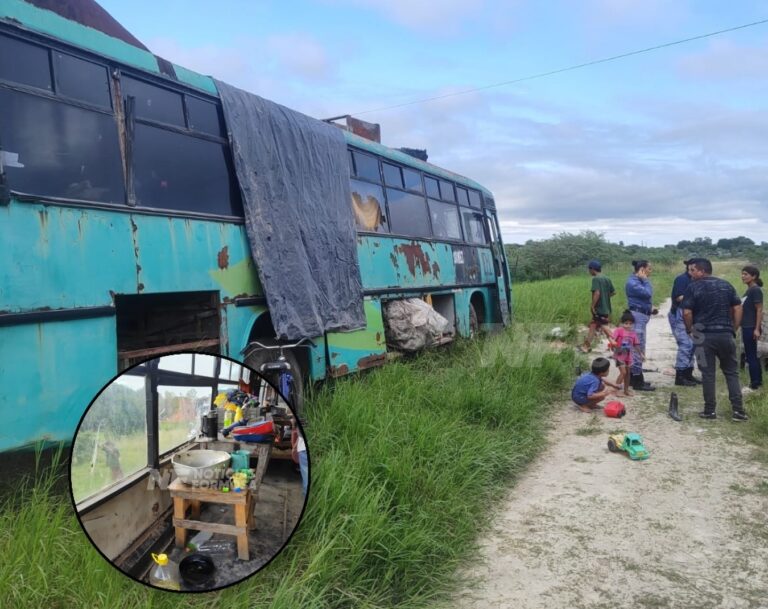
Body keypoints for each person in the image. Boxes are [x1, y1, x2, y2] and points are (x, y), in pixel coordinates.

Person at [681, 258, 748, 421]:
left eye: (693, 270)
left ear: (702, 271)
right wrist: (733, 328)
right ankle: (738, 411)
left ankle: (710, 411)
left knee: (707, 374)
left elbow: (687, 312)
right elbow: (738, 307)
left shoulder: (692, 287)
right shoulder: (726, 285)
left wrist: (690, 329)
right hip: (725, 334)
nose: (690, 273)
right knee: (731, 373)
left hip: (702, 337)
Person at [625, 260, 658, 391]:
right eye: (649, 269)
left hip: (641, 315)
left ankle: (634, 378)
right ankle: (637, 381)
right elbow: (648, 293)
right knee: (637, 347)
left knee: (638, 345)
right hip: (638, 316)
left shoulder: (637, 282)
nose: (651, 271)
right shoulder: (633, 283)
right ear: (642, 270)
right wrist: (645, 280)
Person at [668, 259, 699, 387]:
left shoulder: (696, 280)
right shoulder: (682, 279)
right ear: (689, 267)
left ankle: (688, 374)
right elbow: (679, 297)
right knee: (685, 345)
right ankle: (680, 376)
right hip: (679, 314)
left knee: (692, 345)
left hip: (691, 315)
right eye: (693, 267)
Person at [580, 260, 615, 353]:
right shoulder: (607, 278)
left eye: (589, 269)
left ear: (592, 269)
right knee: (593, 325)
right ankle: (586, 346)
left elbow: (597, 293)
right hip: (606, 308)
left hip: (599, 308)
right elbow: (613, 292)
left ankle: (617, 342)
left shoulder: (596, 279)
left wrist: (592, 305)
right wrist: (605, 297)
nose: (589, 271)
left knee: (604, 326)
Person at [740, 265, 763, 391]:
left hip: (751, 327)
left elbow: (759, 310)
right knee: (751, 354)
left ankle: (755, 383)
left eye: (746, 274)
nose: (743, 276)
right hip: (746, 326)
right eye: (742, 274)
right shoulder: (749, 290)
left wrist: (757, 328)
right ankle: (757, 381)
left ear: (754, 276)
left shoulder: (755, 290)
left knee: (751, 355)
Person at [610, 310, 642, 396]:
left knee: (628, 374)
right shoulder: (618, 330)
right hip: (619, 354)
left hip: (629, 356)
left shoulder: (633, 333)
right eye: (626, 323)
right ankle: (616, 389)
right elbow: (612, 339)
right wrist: (612, 344)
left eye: (630, 324)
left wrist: (641, 354)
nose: (628, 325)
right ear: (622, 323)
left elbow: (636, 345)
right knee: (623, 372)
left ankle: (626, 390)